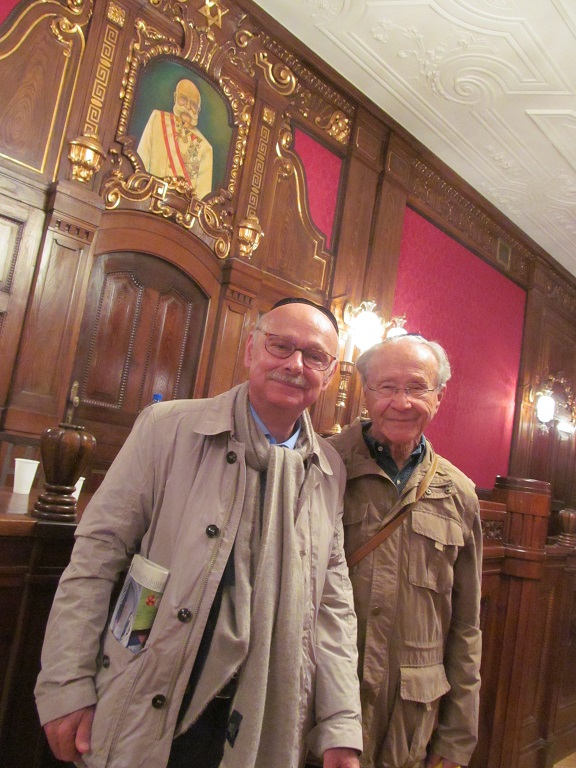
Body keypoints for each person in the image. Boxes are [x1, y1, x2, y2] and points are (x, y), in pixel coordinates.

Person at [35, 298, 363, 768]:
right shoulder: (167, 428)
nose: (295, 364)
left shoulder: (329, 468)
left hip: (261, 713)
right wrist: (66, 684)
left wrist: (341, 724)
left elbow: (332, 604)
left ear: (329, 375)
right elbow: (96, 556)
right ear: (250, 349)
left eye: (314, 356)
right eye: (280, 346)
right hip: (154, 692)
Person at [328, 334, 482, 768]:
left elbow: (466, 627)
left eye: (417, 387)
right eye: (387, 387)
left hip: (408, 728)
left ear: (439, 396)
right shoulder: (322, 465)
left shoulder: (459, 493)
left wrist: (456, 741)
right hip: (322, 714)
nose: (402, 402)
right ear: (366, 392)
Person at [137, 78, 213, 199]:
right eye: (183, 99)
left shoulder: (205, 147)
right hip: (146, 198)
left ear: (198, 110)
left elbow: (201, 199)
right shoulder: (157, 119)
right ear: (175, 97)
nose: (188, 107)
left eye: (193, 105)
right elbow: (141, 162)